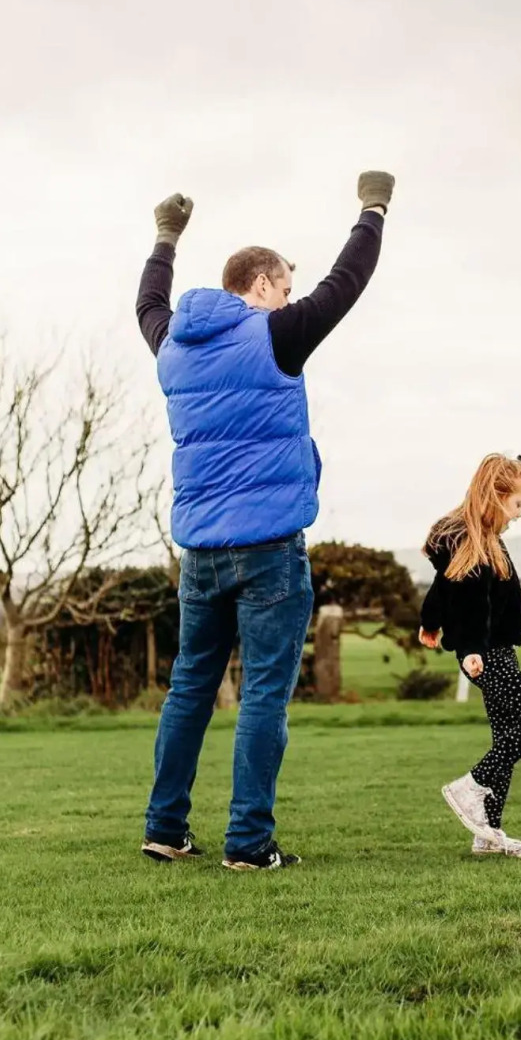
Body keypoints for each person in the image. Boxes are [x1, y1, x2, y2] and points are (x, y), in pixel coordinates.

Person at [135, 171, 395, 870]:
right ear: (258, 285)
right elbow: (347, 282)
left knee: (190, 686)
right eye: (283, 284)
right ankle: (248, 844)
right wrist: (373, 208)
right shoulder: (276, 336)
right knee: (264, 696)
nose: (289, 296)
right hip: (271, 551)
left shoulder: (173, 349)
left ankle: (165, 830)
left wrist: (166, 237)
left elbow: (150, 302)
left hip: (201, 554)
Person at [418, 454, 521, 859]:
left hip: (498, 648)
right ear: (495, 497)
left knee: (507, 734)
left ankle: (488, 833)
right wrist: (471, 649)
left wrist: (429, 622)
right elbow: (468, 599)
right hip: (485, 652)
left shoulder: (482, 536)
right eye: (518, 504)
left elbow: (442, 587)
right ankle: (470, 787)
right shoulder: (467, 539)